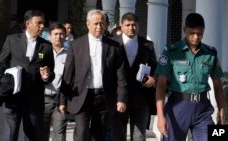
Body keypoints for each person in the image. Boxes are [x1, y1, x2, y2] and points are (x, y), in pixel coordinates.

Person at [58, 9, 128, 141]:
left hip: (104, 97)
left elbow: (121, 74)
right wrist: (62, 99)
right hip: (81, 97)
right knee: (82, 132)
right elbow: (68, 74)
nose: (99, 27)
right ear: (88, 24)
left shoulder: (114, 46)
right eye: (95, 23)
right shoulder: (76, 45)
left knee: (99, 133)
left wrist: (121, 98)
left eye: (102, 23)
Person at [155, 13, 226, 141]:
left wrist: (222, 113)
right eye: (192, 33)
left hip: (203, 109)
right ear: (184, 30)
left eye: (199, 33)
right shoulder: (171, 52)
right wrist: (160, 116)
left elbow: (218, 87)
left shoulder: (210, 53)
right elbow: (161, 85)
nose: (196, 37)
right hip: (177, 107)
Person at [0, 10, 54, 141]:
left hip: (34, 100)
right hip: (13, 97)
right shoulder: (12, 40)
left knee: (32, 136)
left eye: (43, 23)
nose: (42, 26)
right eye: (39, 23)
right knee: (10, 134)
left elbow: (51, 72)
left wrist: (46, 76)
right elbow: (0, 64)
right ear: (28, 24)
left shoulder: (46, 46)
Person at [112, 12, 157, 141]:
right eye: (128, 25)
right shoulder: (112, 44)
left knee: (139, 137)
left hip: (141, 97)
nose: (131, 28)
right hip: (118, 97)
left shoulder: (147, 45)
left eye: (134, 25)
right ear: (121, 26)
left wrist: (153, 78)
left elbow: (156, 67)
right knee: (118, 136)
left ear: (138, 25)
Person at [43, 22, 68, 141]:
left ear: (66, 36)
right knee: (42, 132)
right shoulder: (42, 53)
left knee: (60, 132)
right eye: (55, 34)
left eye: (61, 34)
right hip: (43, 98)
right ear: (50, 36)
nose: (58, 36)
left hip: (60, 99)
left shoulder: (70, 54)